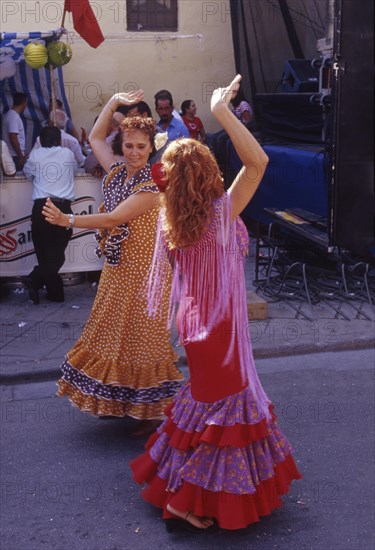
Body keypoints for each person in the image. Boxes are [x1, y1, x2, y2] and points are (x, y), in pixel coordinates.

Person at [130, 75, 302, 531]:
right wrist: (222, 111)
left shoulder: (173, 229)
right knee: (225, 416)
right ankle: (187, 501)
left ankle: (182, 488)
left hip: (193, 328)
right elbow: (258, 161)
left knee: (207, 408)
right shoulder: (223, 214)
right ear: (208, 171)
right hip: (223, 332)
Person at [42, 90, 183, 436]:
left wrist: (68, 221)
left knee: (144, 340)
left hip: (147, 275)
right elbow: (94, 136)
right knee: (113, 335)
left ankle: (151, 412)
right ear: (122, 145)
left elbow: (113, 219)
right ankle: (121, 402)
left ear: (152, 148)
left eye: (141, 147)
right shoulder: (118, 171)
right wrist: (114, 102)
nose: (134, 152)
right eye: (129, 145)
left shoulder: (152, 187)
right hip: (119, 269)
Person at [23, 126, 78, 304]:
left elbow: (28, 174)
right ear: (60, 140)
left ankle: (35, 280)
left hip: (41, 206)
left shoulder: (35, 155)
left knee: (44, 252)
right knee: (57, 254)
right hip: (62, 207)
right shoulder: (68, 153)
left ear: (40, 140)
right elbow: (75, 171)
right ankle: (54, 293)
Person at [2, 92, 28, 170]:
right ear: (24, 103)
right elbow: (13, 137)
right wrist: (20, 157)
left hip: (11, 154)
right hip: (14, 156)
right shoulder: (14, 117)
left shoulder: (8, 115)